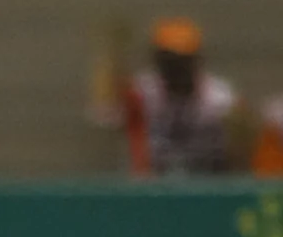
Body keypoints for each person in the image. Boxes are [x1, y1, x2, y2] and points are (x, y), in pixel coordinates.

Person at [97, 19, 239, 177]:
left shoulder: (219, 98)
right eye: (169, 61)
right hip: (153, 180)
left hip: (207, 177)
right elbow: (108, 114)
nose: (176, 69)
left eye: (182, 61)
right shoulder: (143, 92)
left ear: (195, 61)